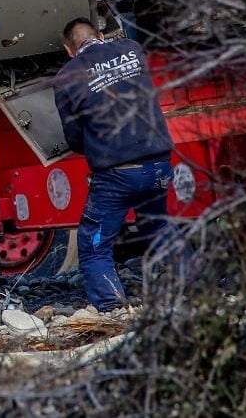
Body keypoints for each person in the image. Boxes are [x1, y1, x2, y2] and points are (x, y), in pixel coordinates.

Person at [52, 17, 174, 312]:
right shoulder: (132, 48)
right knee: (159, 228)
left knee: (94, 247)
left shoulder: (67, 76)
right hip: (159, 163)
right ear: (102, 35)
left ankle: (113, 308)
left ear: (69, 50)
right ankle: (195, 288)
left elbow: (74, 138)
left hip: (118, 174)